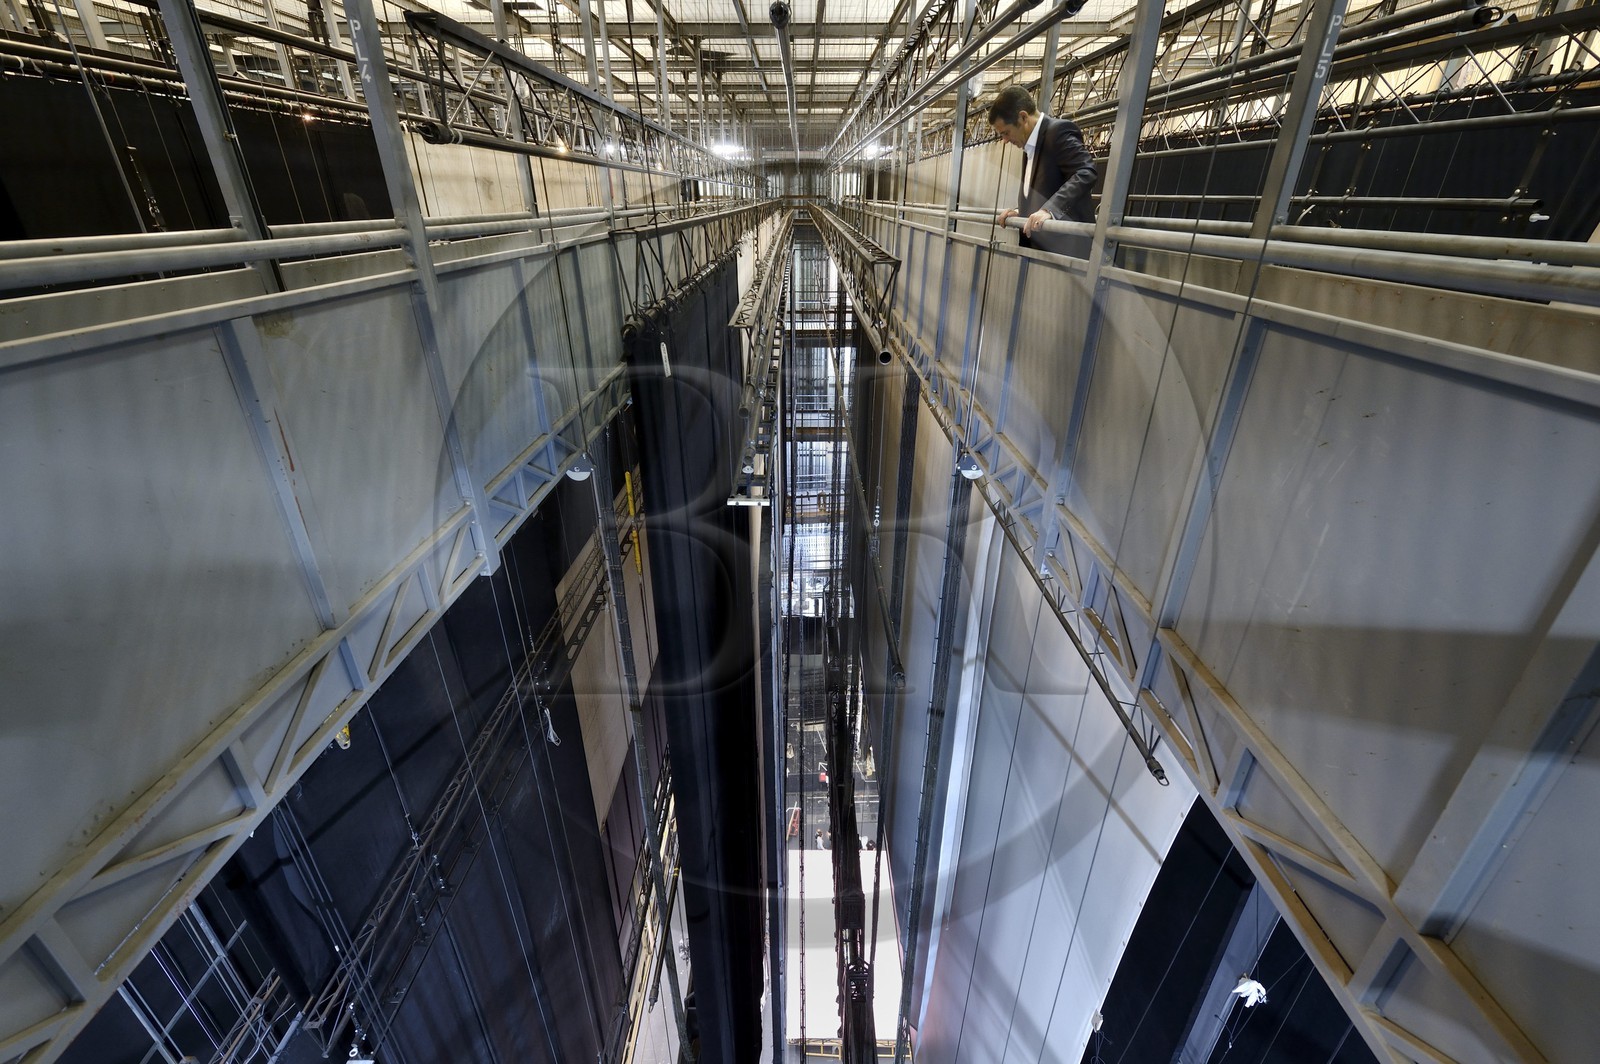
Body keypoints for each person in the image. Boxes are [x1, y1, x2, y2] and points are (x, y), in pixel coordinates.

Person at [988, 85, 1098, 255]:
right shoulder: (1030, 143)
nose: (1004, 140)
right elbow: (1047, 187)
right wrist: (1021, 211)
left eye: (1006, 133)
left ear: (1023, 117)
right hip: (1043, 253)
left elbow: (1086, 172)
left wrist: (1050, 210)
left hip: (1068, 253)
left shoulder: (1058, 132)